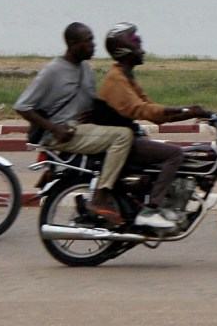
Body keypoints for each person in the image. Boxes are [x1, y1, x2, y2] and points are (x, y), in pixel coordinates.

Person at [92, 23, 211, 231]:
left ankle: (144, 202)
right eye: (137, 45)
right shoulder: (117, 80)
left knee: (172, 156)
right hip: (120, 144)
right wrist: (188, 111)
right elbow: (144, 110)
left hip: (128, 139)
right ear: (124, 50)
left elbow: (154, 111)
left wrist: (192, 112)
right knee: (175, 154)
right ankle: (151, 210)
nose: (142, 50)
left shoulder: (126, 76)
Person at [15, 21, 135, 225]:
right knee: (123, 136)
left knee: (128, 132)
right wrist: (55, 129)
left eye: (93, 40)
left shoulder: (85, 69)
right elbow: (23, 106)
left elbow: (90, 102)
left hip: (83, 130)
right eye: (88, 41)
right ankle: (101, 196)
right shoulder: (53, 71)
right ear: (72, 43)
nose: (93, 45)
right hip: (63, 134)